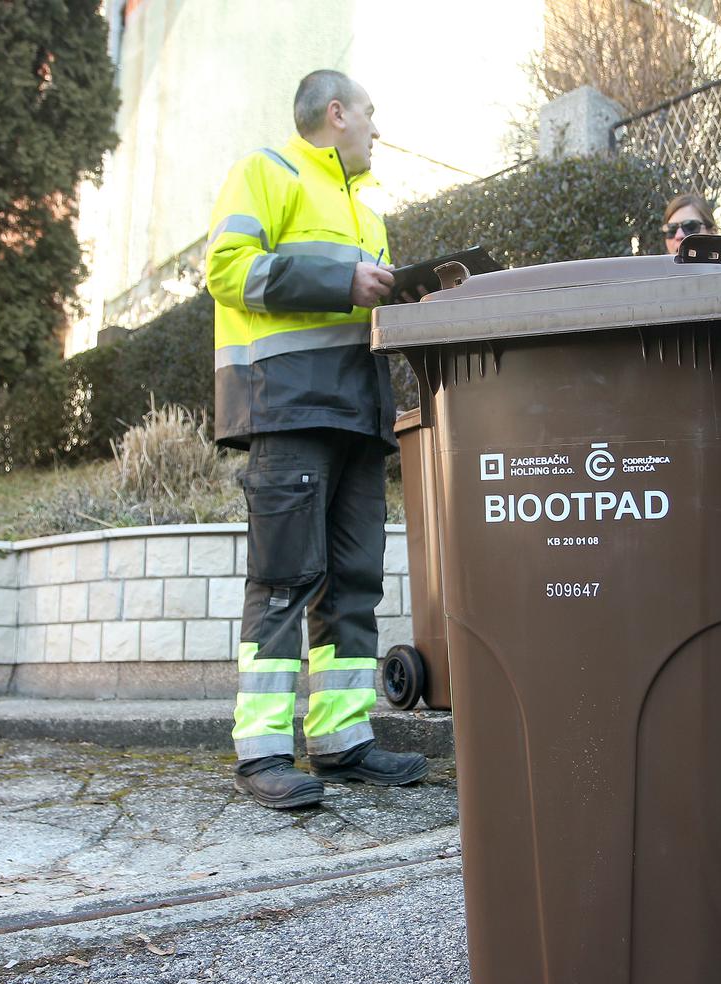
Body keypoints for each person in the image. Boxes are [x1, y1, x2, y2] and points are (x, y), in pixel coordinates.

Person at [204, 70, 429, 810]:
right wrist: (342, 283)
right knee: (284, 580)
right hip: (291, 408)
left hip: (357, 416)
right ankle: (262, 752)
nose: (376, 129)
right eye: (370, 113)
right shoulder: (264, 172)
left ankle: (341, 740)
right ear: (337, 114)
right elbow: (227, 270)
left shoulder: (367, 211)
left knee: (354, 585)